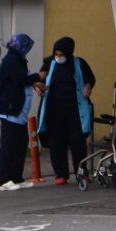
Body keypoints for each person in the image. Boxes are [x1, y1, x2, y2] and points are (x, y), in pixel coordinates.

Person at [37, 36, 95, 185]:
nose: (59, 57)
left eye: (62, 54)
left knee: (78, 142)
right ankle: (60, 174)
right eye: (56, 54)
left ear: (69, 53)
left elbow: (90, 79)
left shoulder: (79, 63)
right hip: (54, 111)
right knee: (56, 142)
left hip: (75, 111)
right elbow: (40, 78)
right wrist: (38, 87)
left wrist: (87, 87)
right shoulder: (49, 63)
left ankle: (81, 172)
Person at [0, 33, 44, 191]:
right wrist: (38, 76)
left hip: (18, 112)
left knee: (20, 145)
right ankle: (4, 180)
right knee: (9, 146)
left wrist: (35, 82)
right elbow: (20, 80)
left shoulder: (18, 59)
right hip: (9, 110)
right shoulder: (12, 60)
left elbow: (22, 79)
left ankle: (16, 177)